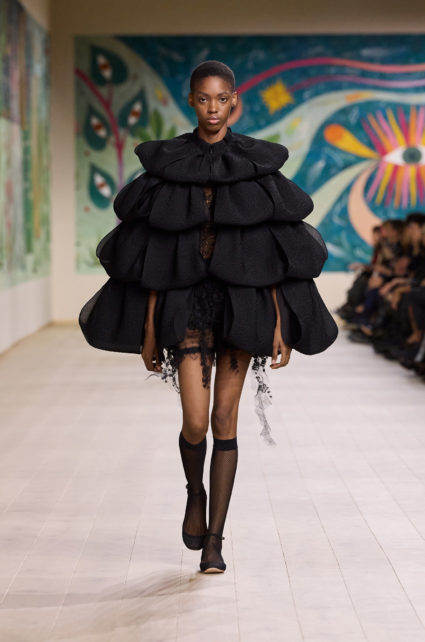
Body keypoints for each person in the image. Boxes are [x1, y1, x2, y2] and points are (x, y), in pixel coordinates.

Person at [79, 60, 338, 574]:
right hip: (187, 307)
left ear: (234, 100)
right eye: (204, 99)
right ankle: (194, 492)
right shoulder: (170, 165)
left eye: (222, 99)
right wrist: (149, 332)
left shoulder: (255, 164)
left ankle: (215, 539)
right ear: (192, 101)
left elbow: (272, 253)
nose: (213, 108)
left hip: (243, 305)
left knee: (223, 420)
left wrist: (280, 326)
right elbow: (153, 254)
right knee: (195, 423)